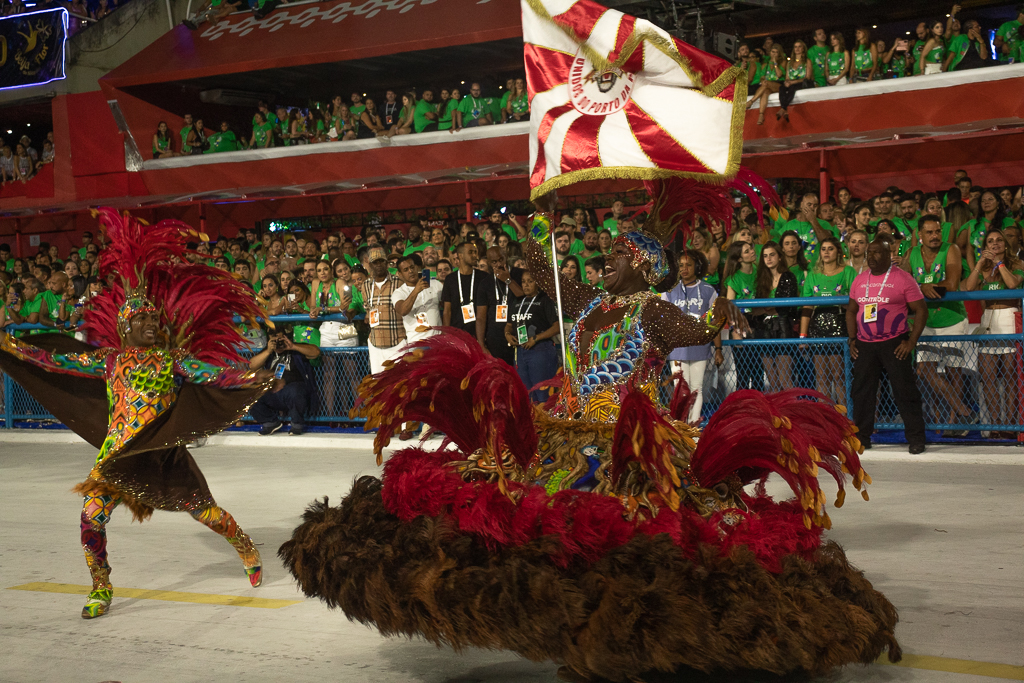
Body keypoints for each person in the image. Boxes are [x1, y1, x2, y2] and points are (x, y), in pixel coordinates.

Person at [0, 209, 274, 620]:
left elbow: (215, 375)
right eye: (141, 320)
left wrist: (252, 379)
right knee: (90, 522)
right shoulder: (109, 362)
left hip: (161, 454)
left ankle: (245, 547)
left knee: (208, 514)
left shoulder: (172, 359)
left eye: (152, 319)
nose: (150, 324)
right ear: (126, 328)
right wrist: (13, 348)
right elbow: (55, 361)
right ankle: (101, 586)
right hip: (117, 456)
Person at [847, 236, 928, 453]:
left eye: (876, 252)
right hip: (865, 344)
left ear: (888, 254)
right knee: (862, 392)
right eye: (869, 253)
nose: (871, 256)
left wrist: (911, 342)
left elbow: (921, 310)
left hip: (895, 342)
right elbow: (851, 310)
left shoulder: (903, 279)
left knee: (905, 391)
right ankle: (862, 438)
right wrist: (852, 338)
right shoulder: (860, 279)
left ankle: (916, 439)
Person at [902, 215, 971, 428]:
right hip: (925, 321)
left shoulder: (951, 249)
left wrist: (920, 286)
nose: (935, 236)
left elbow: (951, 283)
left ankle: (953, 423)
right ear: (919, 235)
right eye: (930, 232)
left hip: (952, 318)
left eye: (938, 231)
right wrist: (921, 288)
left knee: (953, 372)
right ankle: (964, 411)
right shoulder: (911, 254)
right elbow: (902, 284)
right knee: (924, 370)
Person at [962, 229, 1023, 437]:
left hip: (1008, 319)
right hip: (988, 319)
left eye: (998, 240)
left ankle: (1011, 424)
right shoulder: (984, 267)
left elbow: (1013, 284)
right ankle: (996, 423)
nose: (995, 244)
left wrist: (1000, 263)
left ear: (1006, 244)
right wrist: (979, 265)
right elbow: (969, 288)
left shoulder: (1017, 264)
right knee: (987, 376)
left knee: (1009, 376)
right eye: (990, 241)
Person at [662, 249, 723, 423]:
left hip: (700, 347)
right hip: (677, 349)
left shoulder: (708, 290)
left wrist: (718, 349)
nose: (684, 268)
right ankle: (682, 426)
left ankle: (694, 428)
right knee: (679, 388)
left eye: (689, 265)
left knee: (697, 388)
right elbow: (664, 322)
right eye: (681, 265)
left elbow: (715, 323)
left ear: (697, 267)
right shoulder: (669, 291)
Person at [799, 237, 857, 403]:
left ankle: (845, 418)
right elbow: (807, 307)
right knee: (822, 376)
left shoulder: (848, 272)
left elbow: (855, 302)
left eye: (830, 249)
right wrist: (803, 336)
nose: (826, 252)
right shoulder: (812, 275)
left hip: (840, 323)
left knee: (839, 375)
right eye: (823, 249)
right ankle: (825, 419)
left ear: (838, 251)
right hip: (817, 325)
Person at [248, 326, 321, 435]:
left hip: (293, 389)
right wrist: (268, 351)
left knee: (294, 390)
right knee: (252, 393)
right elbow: (252, 365)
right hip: (273, 391)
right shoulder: (269, 351)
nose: (278, 343)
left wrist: (293, 346)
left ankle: (297, 424)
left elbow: (316, 352)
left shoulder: (295, 348)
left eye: (279, 338)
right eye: (274, 339)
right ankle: (270, 422)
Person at [504, 270, 561, 403]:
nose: (526, 285)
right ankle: (533, 423)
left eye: (530, 281)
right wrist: (507, 334)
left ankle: (547, 421)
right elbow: (508, 324)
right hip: (520, 351)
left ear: (538, 283)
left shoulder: (544, 300)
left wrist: (536, 338)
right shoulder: (517, 301)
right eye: (523, 282)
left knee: (543, 393)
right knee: (527, 394)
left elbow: (556, 327)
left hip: (540, 349)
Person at [348, 247, 406, 374]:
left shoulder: (399, 283)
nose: (378, 265)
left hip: (397, 341)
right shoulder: (366, 286)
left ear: (386, 263)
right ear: (370, 264)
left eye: (381, 261)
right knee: (379, 385)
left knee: (399, 384)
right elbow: (368, 308)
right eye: (375, 262)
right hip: (375, 344)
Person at [752, 241, 798, 393]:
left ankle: (793, 414)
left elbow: (789, 307)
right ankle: (776, 416)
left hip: (784, 327)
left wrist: (770, 309)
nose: (768, 259)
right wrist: (770, 310)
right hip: (764, 328)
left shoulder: (788, 277)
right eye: (765, 256)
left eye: (772, 255)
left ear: (779, 257)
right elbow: (755, 309)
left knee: (785, 378)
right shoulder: (761, 279)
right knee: (772, 380)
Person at [441, 241, 489, 350]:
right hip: (457, 336)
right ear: (461, 256)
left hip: (479, 336)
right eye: (471, 252)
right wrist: (445, 336)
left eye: (475, 252)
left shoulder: (483, 277)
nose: (475, 255)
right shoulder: (450, 279)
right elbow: (447, 311)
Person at [777, 40, 813, 122]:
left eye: (799, 46)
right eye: (795, 47)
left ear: (803, 49)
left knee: (792, 88)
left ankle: (783, 108)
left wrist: (793, 82)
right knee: (781, 88)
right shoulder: (789, 63)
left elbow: (807, 77)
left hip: (801, 83)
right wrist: (787, 82)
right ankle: (784, 109)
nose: (797, 48)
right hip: (791, 83)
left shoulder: (807, 61)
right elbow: (787, 77)